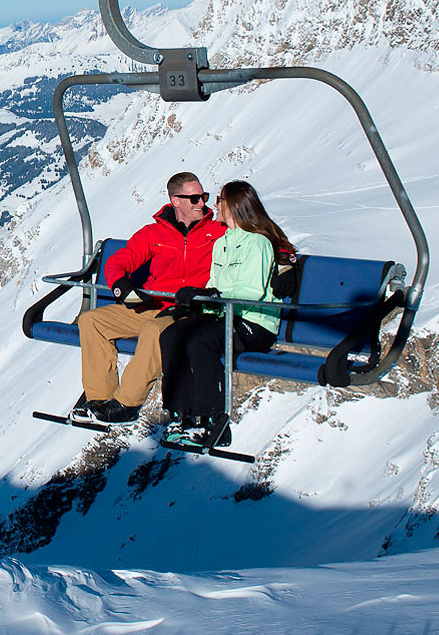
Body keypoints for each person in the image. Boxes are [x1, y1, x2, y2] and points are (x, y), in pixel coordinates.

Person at [71, 172, 226, 425]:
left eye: (204, 197)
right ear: (176, 201)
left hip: (187, 310)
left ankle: (127, 404)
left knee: (155, 332)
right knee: (91, 322)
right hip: (153, 305)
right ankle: (99, 401)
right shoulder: (155, 233)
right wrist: (122, 287)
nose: (202, 203)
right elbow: (119, 260)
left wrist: (287, 258)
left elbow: (258, 234)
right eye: (195, 198)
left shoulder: (216, 230)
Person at [159, 180, 293, 449]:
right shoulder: (222, 244)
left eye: (219, 200)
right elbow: (214, 283)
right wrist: (199, 296)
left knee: (200, 341)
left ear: (233, 206)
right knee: (172, 335)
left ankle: (211, 419)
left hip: (253, 321)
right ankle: (180, 413)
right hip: (224, 315)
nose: (214, 206)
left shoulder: (258, 243)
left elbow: (253, 290)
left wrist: (217, 296)